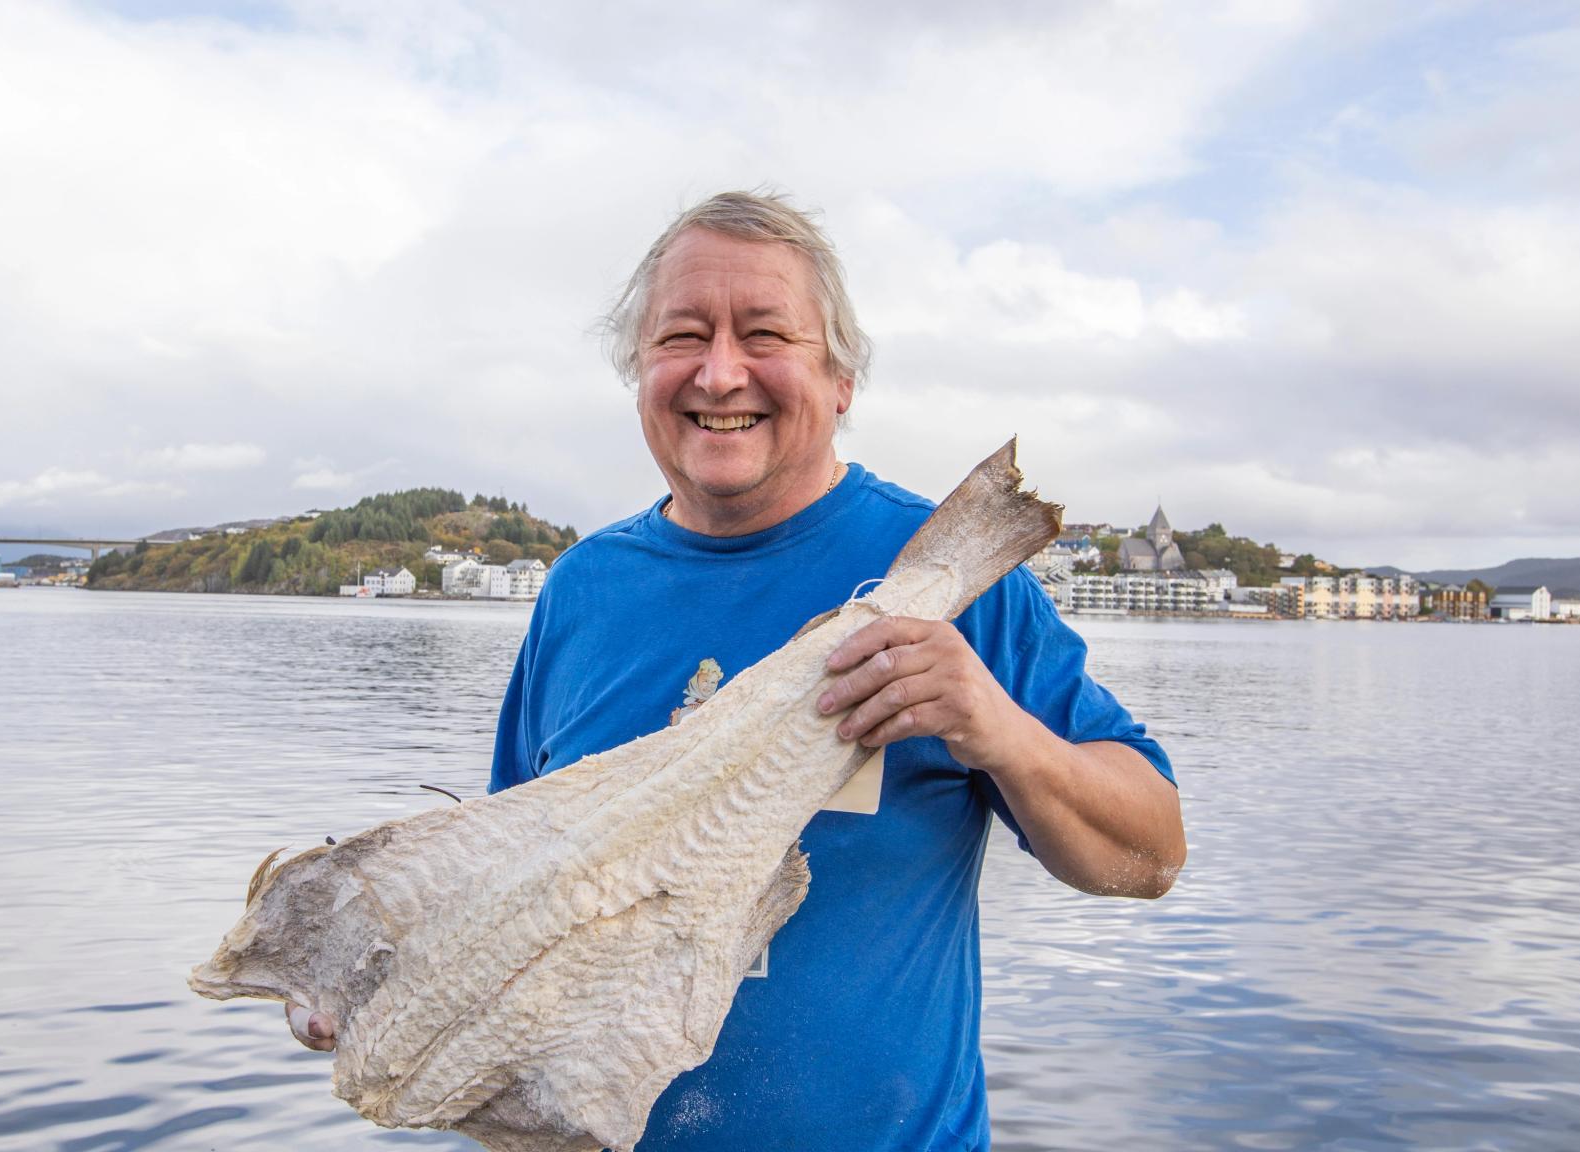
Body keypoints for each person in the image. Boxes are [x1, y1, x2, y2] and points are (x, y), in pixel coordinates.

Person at [290, 190, 1186, 1150]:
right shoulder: (582, 590)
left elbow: (1150, 857)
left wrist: (997, 729)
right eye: (683, 336)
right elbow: (515, 897)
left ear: (840, 378)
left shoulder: (946, 582)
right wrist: (383, 986)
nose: (720, 374)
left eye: (765, 335)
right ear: (639, 370)